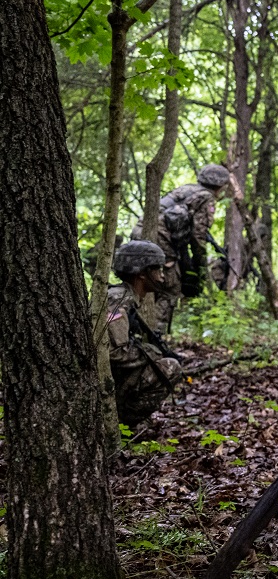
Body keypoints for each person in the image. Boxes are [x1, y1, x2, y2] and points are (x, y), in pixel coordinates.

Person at [131, 163, 231, 333]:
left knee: (143, 285)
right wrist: (199, 265)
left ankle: (136, 332)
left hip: (139, 234)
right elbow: (198, 235)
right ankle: (155, 337)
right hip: (160, 240)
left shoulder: (187, 190)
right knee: (169, 288)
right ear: (221, 185)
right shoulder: (206, 197)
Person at [107, 240, 183, 427]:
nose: (162, 277)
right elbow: (114, 353)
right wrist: (152, 353)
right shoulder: (119, 300)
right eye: (157, 270)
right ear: (142, 274)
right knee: (170, 368)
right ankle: (120, 425)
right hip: (105, 383)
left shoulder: (124, 297)